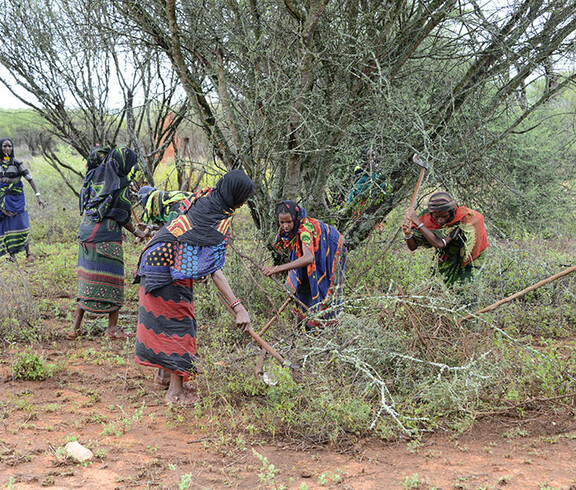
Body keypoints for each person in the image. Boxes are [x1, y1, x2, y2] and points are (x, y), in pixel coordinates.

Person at [134, 169, 256, 405]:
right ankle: (176, 393)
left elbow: (193, 249)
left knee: (167, 320)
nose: (243, 203)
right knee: (181, 324)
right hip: (165, 268)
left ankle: (164, 376)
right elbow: (214, 271)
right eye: (243, 197)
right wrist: (238, 306)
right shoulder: (215, 216)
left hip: (154, 260)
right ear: (234, 194)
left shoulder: (207, 198)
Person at [68, 146, 147, 340]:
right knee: (113, 280)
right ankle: (112, 329)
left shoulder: (94, 174)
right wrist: (139, 232)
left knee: (86, 278)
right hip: (105, 235)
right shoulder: (119, 181)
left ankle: (75, 328)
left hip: (86, 232)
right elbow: (121, 216)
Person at [263, 200, 346, 331]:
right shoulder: (292, 228)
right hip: (315, 248)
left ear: (295, 219)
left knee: (323, 282)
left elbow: (308, 258)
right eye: (282, 222)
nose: (285, 226)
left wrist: (277, 268)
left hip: (331, 248)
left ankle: (325, 324)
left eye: (289, 222)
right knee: (304, 279)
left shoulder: (304, 230)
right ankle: (305, 321)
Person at [401, 191, 489, 286]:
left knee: (467, 289)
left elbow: (440, 243)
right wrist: (408, 234)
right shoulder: (426, 218)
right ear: (431, 214)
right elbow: (413, 247)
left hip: (471, 255)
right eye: (436, 216)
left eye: (445, 216)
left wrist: (418, 223)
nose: (440, 220)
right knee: (438, 285)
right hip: (448, 253)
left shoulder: (462, 218)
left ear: (452, 212)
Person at [0, 137, 46, 262]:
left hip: (18, 198)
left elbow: (29, 179)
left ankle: (28, 252)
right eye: (5, 146)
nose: (7, 148)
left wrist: (38, 196)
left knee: (22, 223)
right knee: (7, 224)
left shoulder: (17, 163)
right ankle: (12, 256)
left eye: (10, 146)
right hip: (4, 198)